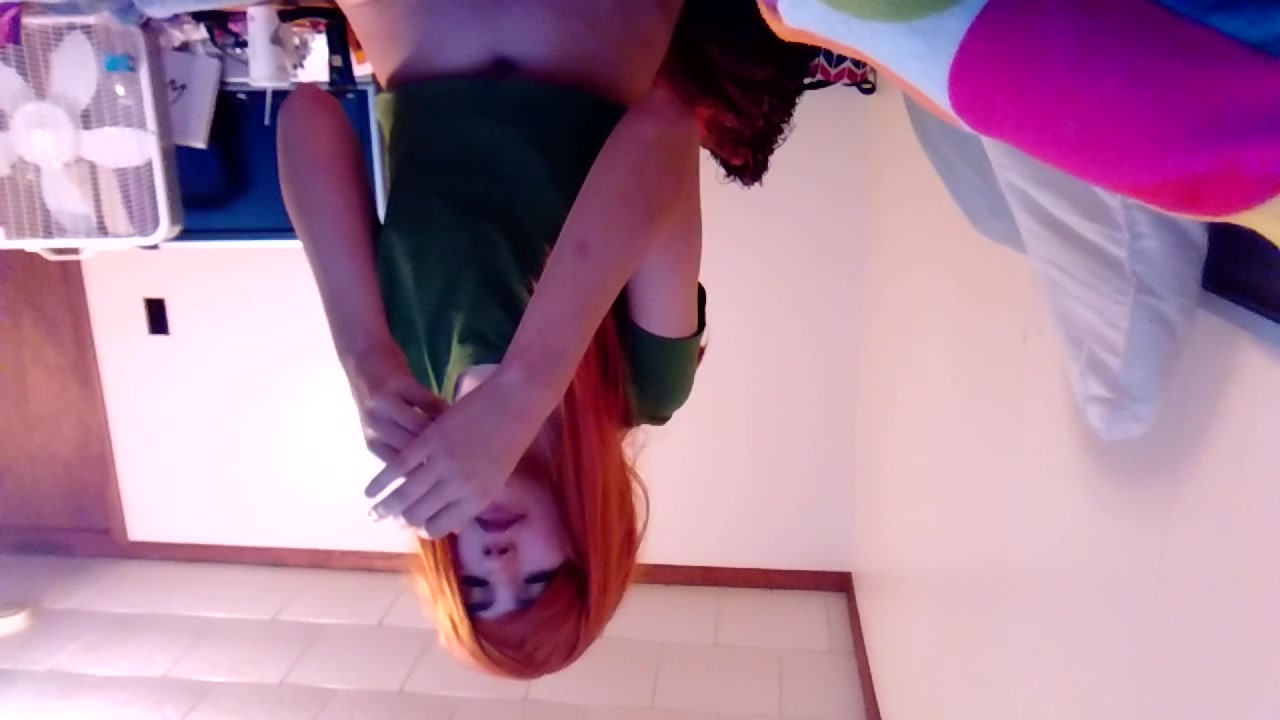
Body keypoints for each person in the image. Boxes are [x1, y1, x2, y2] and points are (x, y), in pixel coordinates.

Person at [277, 0, 817, 678]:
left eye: (477, 587)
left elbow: (307, 116)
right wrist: (523, 390)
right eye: (536, 581)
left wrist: (363, 353)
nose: (499, 563)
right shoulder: (646, 386)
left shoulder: (405, 379)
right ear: (591, 545)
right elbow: (666, 129)